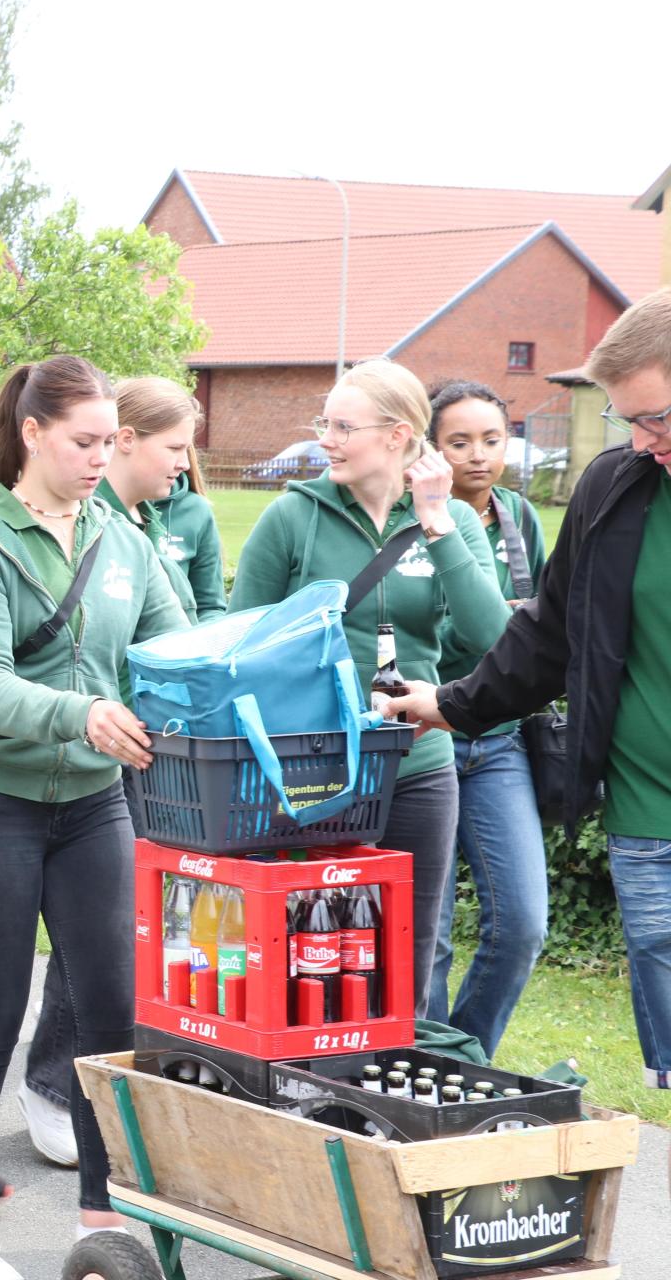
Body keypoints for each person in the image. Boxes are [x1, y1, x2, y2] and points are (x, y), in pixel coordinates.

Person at [0, 356, 189, 1277]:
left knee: (111, 1018)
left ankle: (98, 1223)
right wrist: (81, 713)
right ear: (32, 434)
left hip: (91, 808)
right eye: (83, 441)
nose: (98, 458)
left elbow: (176, 647)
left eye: (110, 442)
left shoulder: (123, 539)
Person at [389, 286, 671, 1096]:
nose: (644, 440)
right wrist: (450, 703)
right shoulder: (616, 490)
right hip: (649, 822)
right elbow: (547, 637)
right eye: (629, 421)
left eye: (657, 417)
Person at [230, 358, 505, 1017]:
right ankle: (299, 1087)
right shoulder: (293, 518)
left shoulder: (451, 521)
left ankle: (386, 1093)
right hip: (313, 768)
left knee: (408, 946)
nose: (325, 437)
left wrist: (438, 524)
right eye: (323, 422)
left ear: (397, 434)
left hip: (417, 765)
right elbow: (235, 641)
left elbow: (493, 636)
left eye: (341, 425)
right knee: (310, 941)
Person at [11, 373, 210, 1169]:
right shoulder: (48, 527)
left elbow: (188, 628)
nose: (183, 464)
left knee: (112, 940)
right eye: (172, 447)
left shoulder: (156, 525)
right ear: (123, 441)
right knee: (40, 955)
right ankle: (41, 1088)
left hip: (145, 752)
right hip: (46, 764)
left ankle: (85, 1094)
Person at [415, 380, 549, 1057]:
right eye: (458, 442)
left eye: (491, 440)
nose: (476, 456)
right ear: (428, 449)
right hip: (423, 741)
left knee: (523, 921)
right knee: (428, 935)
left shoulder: (521, 519)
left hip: (497, 744)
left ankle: (464, 1059)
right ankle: (423, 1069)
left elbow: (540, 628)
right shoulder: (407, 518)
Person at [150, 443, 224, 623]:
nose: (185, 463)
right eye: (174, 448)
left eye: (186, 448)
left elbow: (210, 606)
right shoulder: (93, 509)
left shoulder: (196, 510)